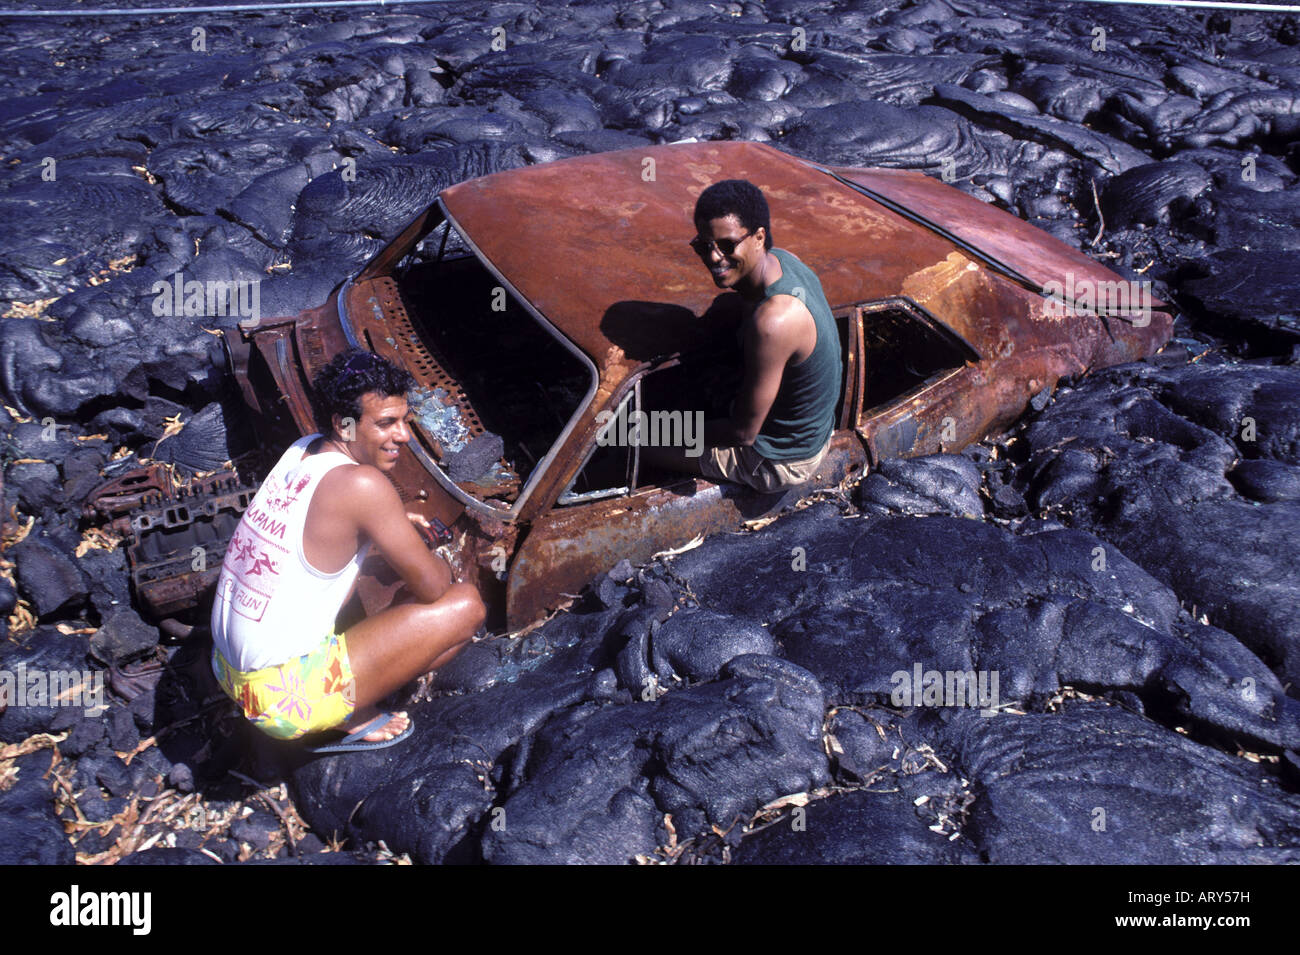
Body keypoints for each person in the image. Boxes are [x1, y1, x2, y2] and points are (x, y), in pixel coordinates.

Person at [209, 349, 485, 750]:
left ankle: (339, 695)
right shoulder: (364, 486)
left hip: (226, 669)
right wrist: (417, 547)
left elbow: (319, 527)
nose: (404, 436)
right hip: (280, 702)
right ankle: (348, 714)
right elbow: (435, 588)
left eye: (405, 420)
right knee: (466, 606)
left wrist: (386, 524)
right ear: (345, 425)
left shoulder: (304, 449)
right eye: (386, 423)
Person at [645, 179, 841, 493]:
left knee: (637, 446)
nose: (713, 257)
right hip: (800, 425)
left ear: (759, 237)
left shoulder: (774, 321)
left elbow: (742, 434)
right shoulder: (784, 260)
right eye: (703, 246)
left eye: (727, 245)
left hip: (780, 458)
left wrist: (659, 430)